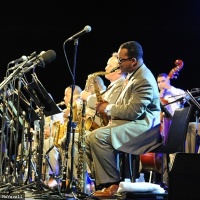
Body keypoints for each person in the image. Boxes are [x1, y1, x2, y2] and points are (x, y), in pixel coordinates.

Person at [85, 41, 162, 197]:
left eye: (121, 60)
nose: (118, 63)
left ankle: (112, 185)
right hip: (133, 123)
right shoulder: (134, 76)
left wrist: (107, 108)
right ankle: (101, 182)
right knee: (88, 137)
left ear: (133, 61)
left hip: (145, 129)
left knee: (98, 137)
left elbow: (134, 111)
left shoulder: (143, 79)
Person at [81, 52, 126, 130]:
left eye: (109, 65)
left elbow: (107, 105)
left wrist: (88, 98)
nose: (106, 68)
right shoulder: (113, 84)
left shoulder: (121, 83)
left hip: (108, 129)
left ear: (118, 70)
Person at [157, 73, 186, 144]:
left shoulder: (177, 91)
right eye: (158, 82)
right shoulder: (157, 96)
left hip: (175, 123)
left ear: (168, 81)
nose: (160, 84)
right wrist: (161, 94)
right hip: (161, 125)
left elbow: (184, 99)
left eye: (163, 81)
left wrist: (169, 87)